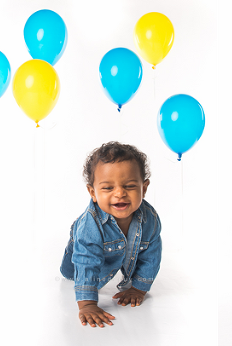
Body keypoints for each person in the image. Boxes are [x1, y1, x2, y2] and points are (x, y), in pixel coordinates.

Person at [60, 141, 162, 328]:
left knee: (139, 252)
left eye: (130, 186)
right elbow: (86, 262)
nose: (120, 193)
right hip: (82, 249)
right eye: (108, 188)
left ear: (144, 188)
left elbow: (151, 256)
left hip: (124, 248)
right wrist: (87, 304)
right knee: (70, 273)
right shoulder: (90, 226)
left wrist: (138, 288)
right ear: (93, 192)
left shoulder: (150, 220)